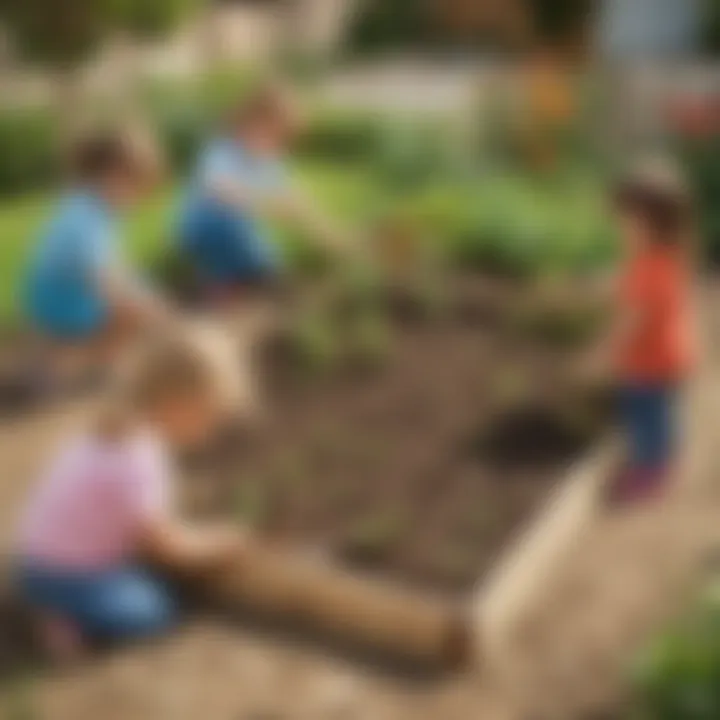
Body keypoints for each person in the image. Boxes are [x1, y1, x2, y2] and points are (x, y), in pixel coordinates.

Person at [14, 334, 249, 659]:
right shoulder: (140, 458)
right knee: (156, 611)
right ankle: (69, 619)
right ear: (176, 403)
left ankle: (58, 604)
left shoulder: (109, 428)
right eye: (208, 417)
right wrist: (216, 545)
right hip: (68, 575)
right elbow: (164, 546)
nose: (209, 432)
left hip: (32, 561)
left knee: (148, 579)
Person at [177, 80, 350, 313]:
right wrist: (264, 203)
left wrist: (330, 234)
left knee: (268, 262)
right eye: (271, 135)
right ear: (246, 124)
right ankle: (217, 288)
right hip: (206, 227)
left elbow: (294, 200)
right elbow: (217, 188)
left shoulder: (268, 160)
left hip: (240, 226)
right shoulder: (222, 150)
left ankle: (254, 280)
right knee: (234, 248)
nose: (275, 146)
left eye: (281, 140)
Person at [22, 129, 170, 393]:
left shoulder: (92, 207)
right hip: (60, 298)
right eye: (136, 188)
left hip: (59, 292)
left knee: (138, 302)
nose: (138, 200)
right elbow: (104, 279)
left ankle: (66, 361)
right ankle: (71, 369)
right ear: (113, 178)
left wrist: (150, 296)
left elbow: (117, 265)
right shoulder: (85, 218)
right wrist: (152, 310)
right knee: (133, 313)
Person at [605, 159, 696, 504]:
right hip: (668, 354)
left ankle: (651, 471)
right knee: (660, 413)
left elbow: (634, 320)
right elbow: (629, 288)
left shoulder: (650, 267)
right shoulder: (663, 256)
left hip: (649, 361)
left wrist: (602, 354)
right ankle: (662, 458)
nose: (618, 228)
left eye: (625, 220)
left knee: (644, 415)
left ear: (651, 224)